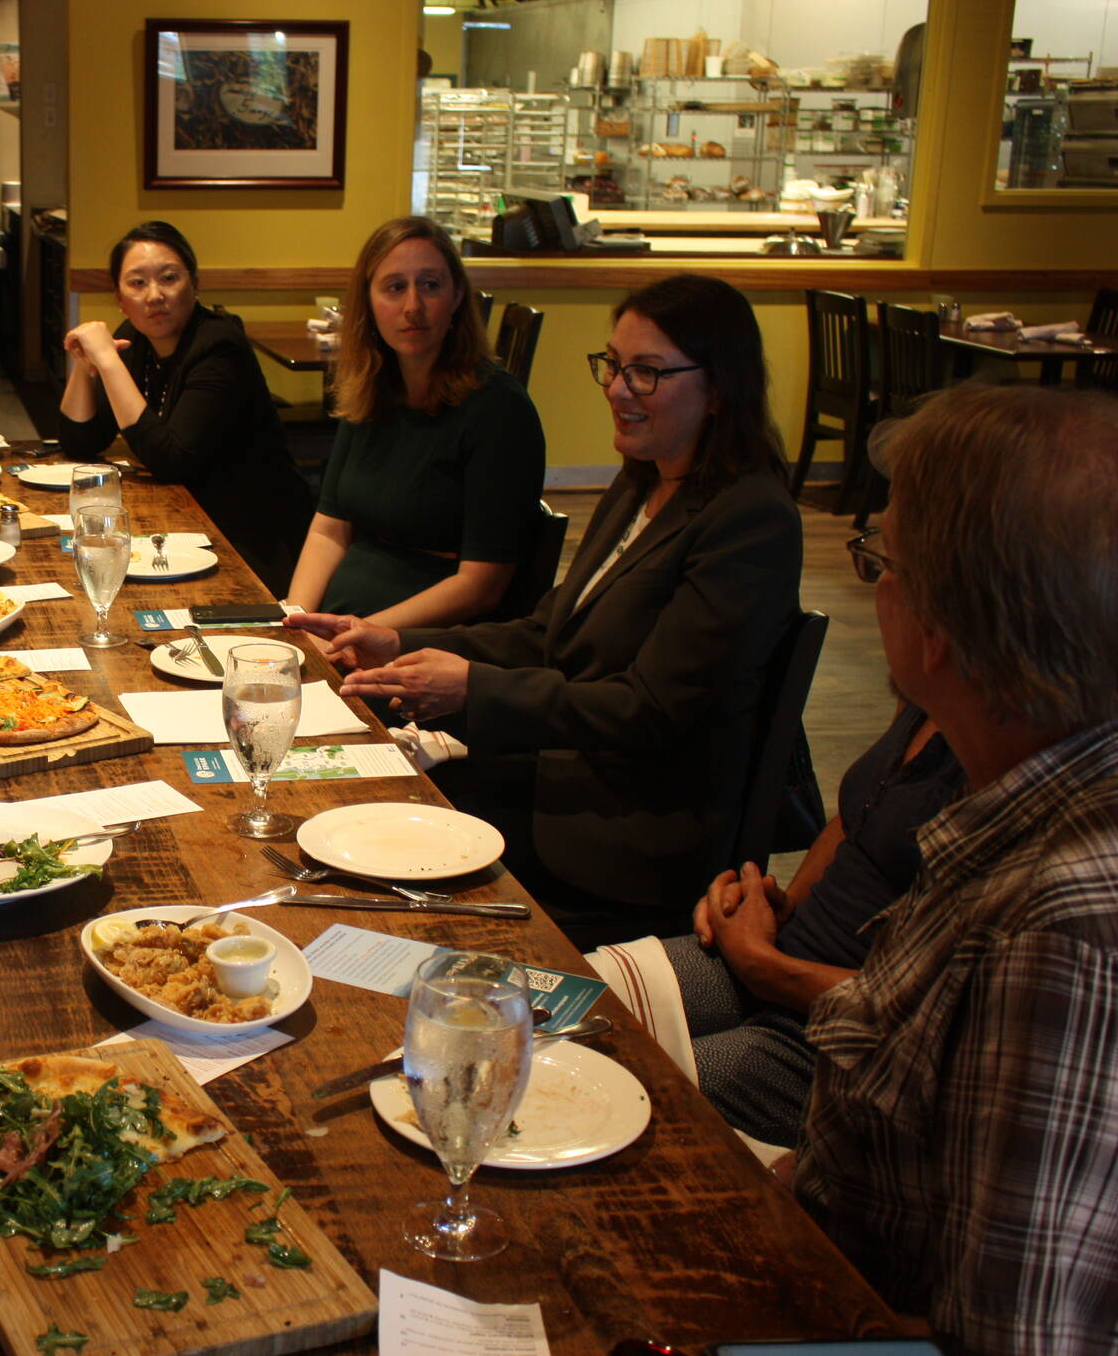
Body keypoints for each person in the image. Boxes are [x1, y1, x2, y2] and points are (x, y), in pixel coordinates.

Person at [289, 274, 801, 949]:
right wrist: (394, 637)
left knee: (369, 845)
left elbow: (648, 710)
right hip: (563, 773)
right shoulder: (644, 479)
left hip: (629, 827)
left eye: (646, 373)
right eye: (614, 365)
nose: (617, 389)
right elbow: (548, 632)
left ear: (719, 389)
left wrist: (471, 688)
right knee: (352, 804)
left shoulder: (750, 519)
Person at [795, 385, 1118, 1350]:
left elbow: (1004, 1336)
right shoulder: (1016, 801)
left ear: (940, 628)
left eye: (879, 561)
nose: (871, 583)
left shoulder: (1057, 929)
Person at [587, 703, 962, 1150]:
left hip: (849, 1042)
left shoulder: (1012, 755)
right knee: (540, 1010)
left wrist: (766, 968)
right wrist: (779, 905)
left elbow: (946, 1016)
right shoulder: (928, 698)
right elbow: (858, 819)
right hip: (783, 959)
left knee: (604, 1100)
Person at [285, 216, 545, 626]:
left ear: (458, 296)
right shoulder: (371, 389)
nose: (413, 306)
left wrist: (358, 634)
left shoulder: (499, 410)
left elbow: (482, 586)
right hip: (342, 624)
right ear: (367, 302)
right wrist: (294, 620)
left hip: (426, 644)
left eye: (430, 285)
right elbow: (329, 530)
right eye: (394, 287)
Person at [58, 221, 314, 594]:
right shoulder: (134, 338)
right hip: (183, 525)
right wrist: (85, 367)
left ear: (194, 284)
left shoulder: (219, 346)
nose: (155, 295)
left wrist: (108, 362)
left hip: (250, 538)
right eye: (138, 283)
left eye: (169, 278)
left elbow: (171, 459)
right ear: (119, 297)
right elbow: (81, 442)